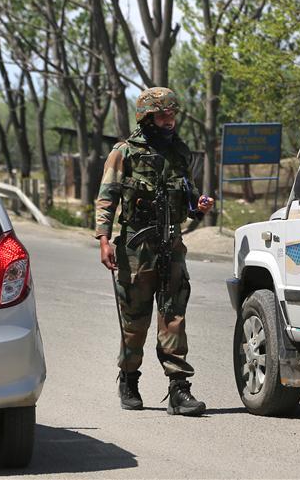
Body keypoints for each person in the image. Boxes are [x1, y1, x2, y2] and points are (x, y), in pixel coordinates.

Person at [95, 87, 214, 416]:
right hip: (136, 249)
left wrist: (199, 206)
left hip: (172, 247)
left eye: (172, 114)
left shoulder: (179, 152)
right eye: (163, 115)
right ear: (147, 118)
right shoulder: (124, 152)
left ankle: (179, 389)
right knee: (134, 321)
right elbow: (108, 196)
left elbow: (188, 197)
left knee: (173, 317)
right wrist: (104, 239)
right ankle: (129, 378)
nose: (169, 120)